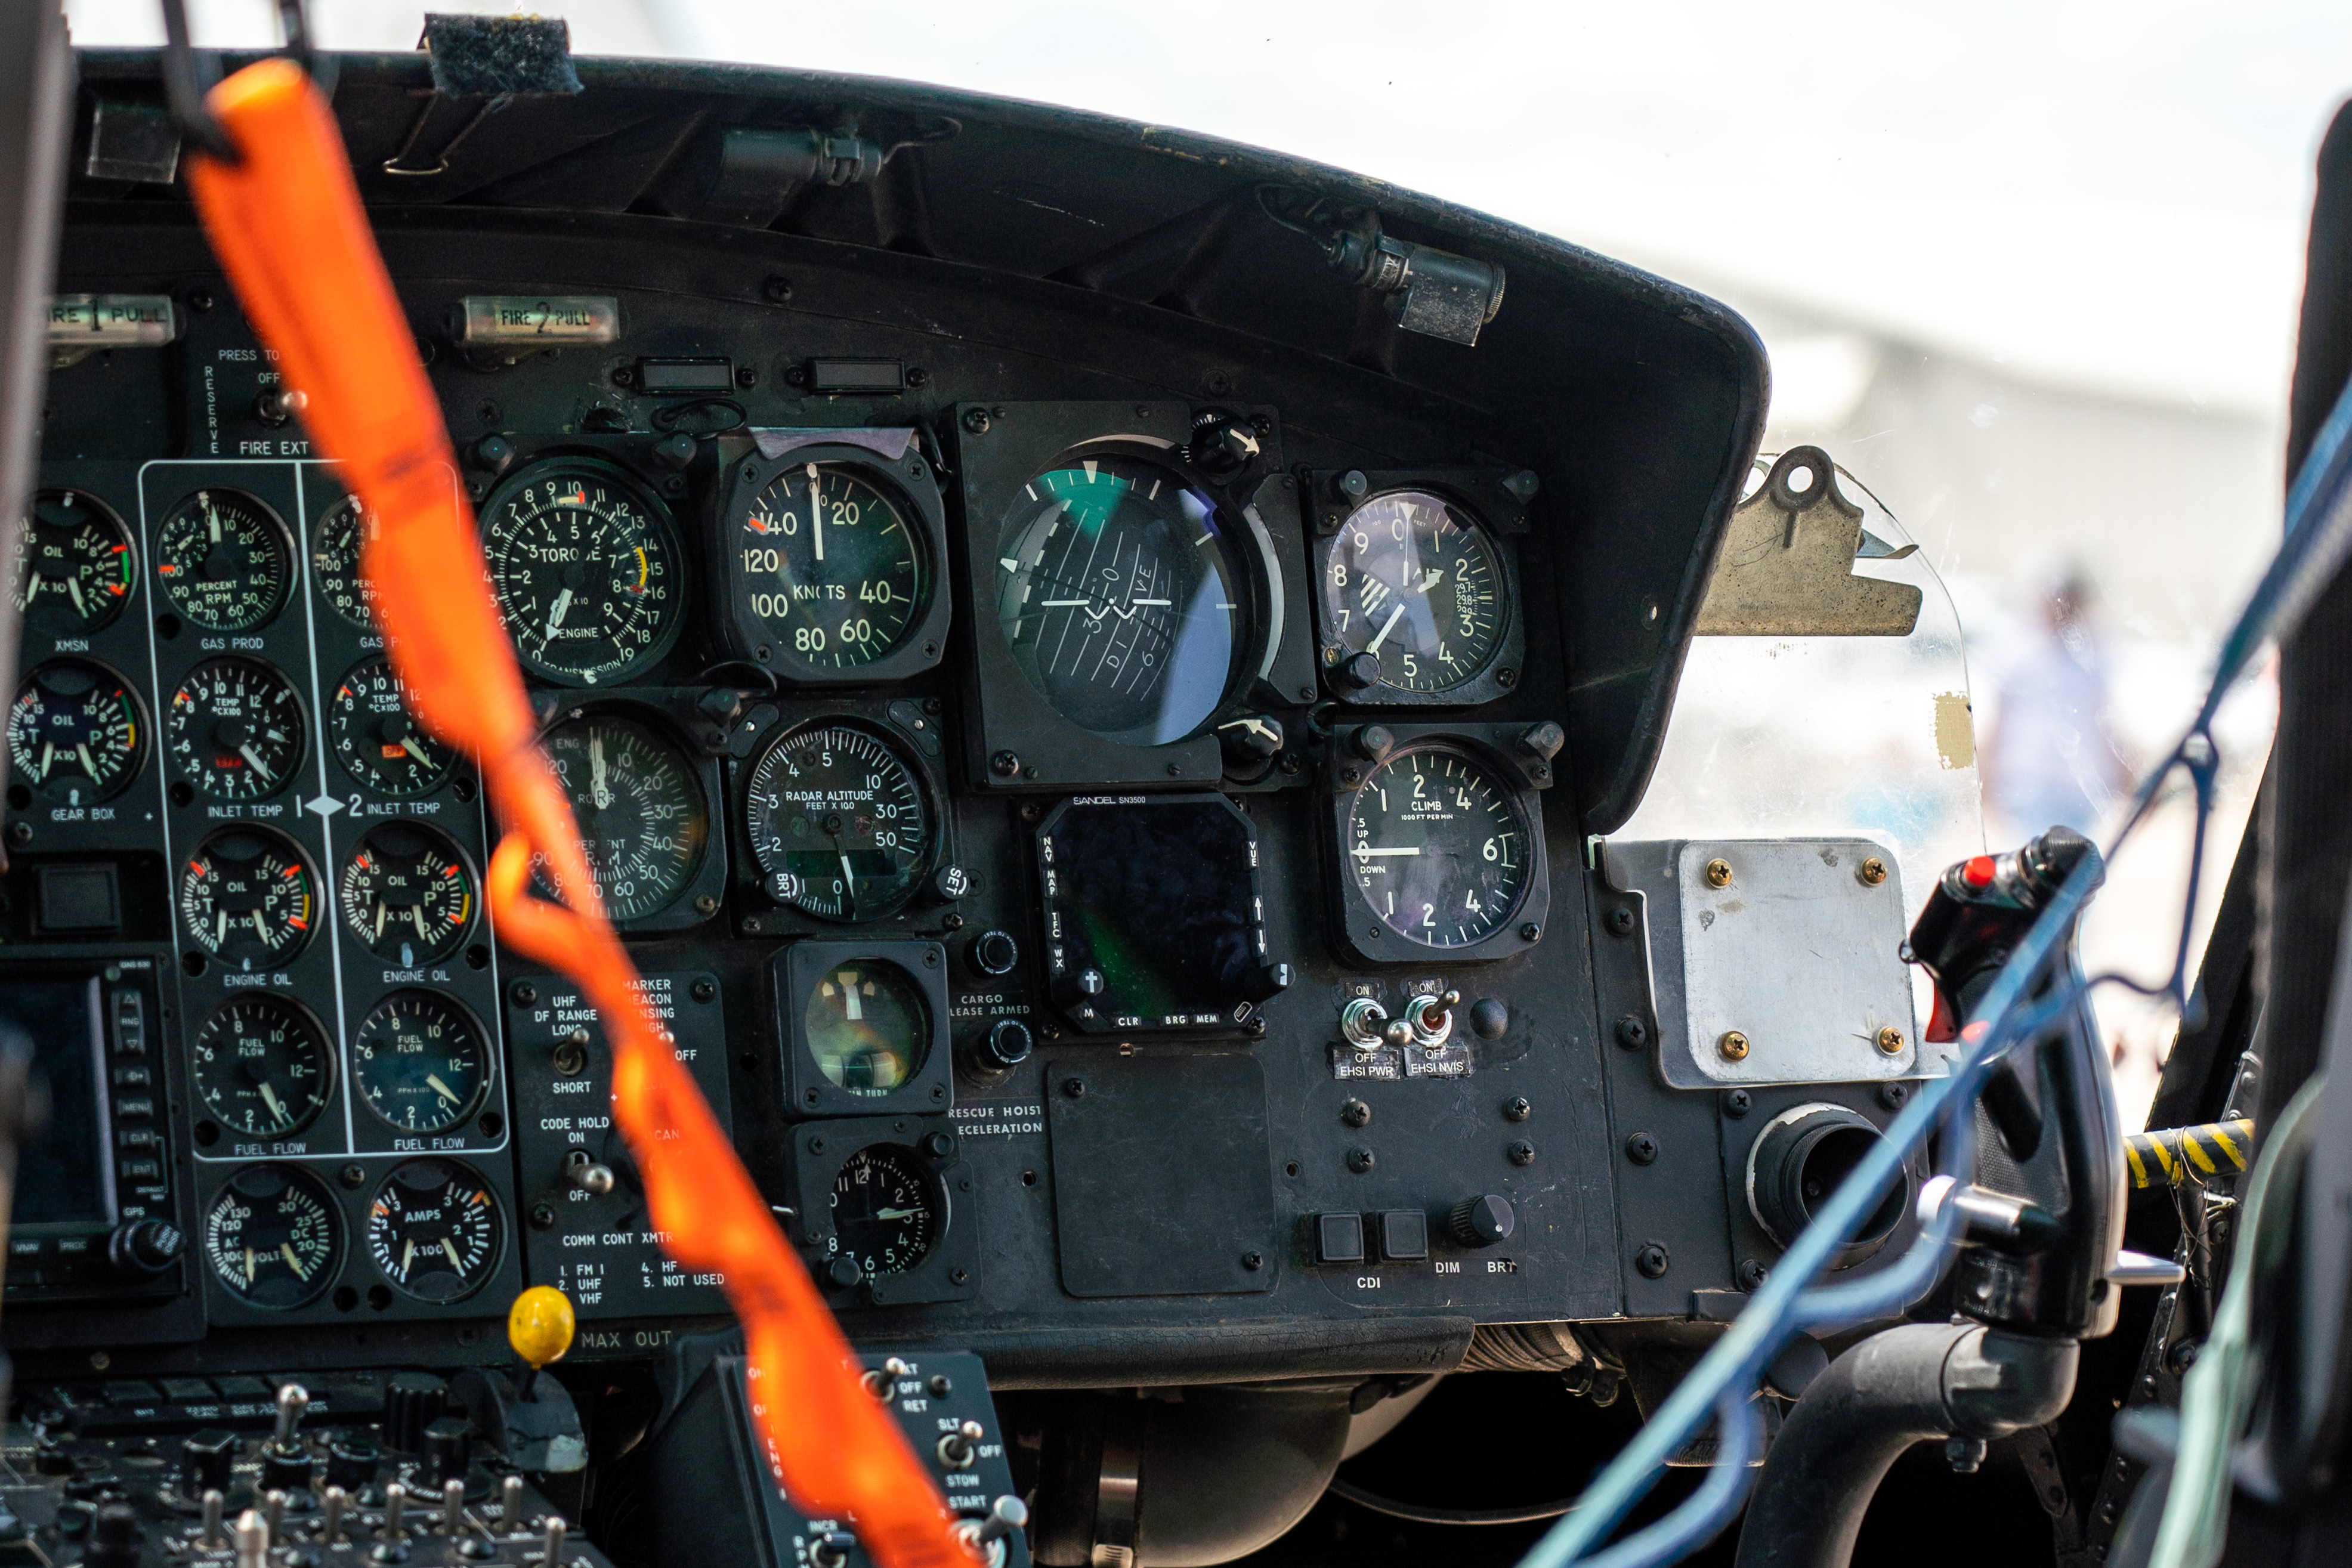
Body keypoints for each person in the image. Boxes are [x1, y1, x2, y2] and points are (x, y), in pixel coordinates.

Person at [1980, 565, 2129, 842]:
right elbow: (1999, 719)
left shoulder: (2092, 650)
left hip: (2079, 786)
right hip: (2029, 782)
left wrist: (2123, 772)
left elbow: (2104, 717)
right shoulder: (2016, 648)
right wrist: (1986, 779)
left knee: (2076, 868)